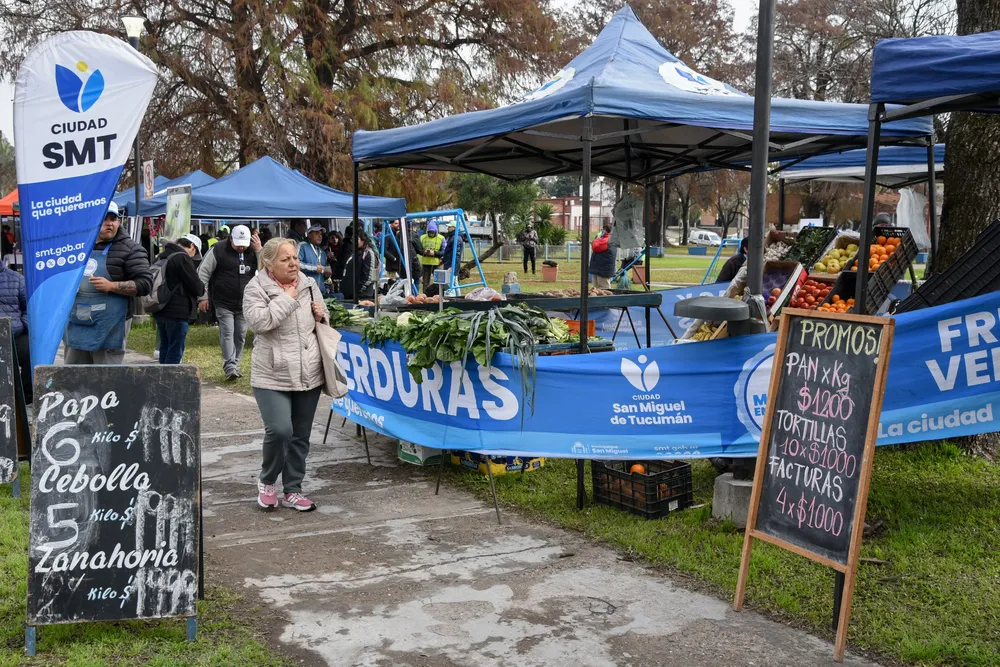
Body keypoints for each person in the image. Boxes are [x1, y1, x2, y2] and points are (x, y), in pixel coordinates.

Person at [243, 238, 327, 512]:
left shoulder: (309, 284)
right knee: (280, 430)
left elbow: (321, 322)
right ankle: (267, 482)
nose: (293, 263)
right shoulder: (256, 288)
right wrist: (287, 301)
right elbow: (258, 323)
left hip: (308, 370)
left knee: (301, 435)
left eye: (294, 258)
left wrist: (321, 315)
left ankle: (293, 489)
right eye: (285, 259)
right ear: (268, 263)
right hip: (272, 373)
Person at [65, 201, 152, 365]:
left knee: (106, 378)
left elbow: (145, 284)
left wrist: (111, 286)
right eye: (104, 218)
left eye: (113, 219)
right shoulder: (77, 248)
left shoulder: (131, 249)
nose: (109, 223)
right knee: (73, 376)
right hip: (77, 321)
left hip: (111, 325)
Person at [198, 224, 261, 381]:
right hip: (223, 301)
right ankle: (230, 366)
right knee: (227, 333)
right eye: (238, 245)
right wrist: (203, 297)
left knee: (240, 335)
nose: (241, 248)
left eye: (244, 246)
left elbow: (267, 269)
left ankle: (235, 364)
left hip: (245, 302)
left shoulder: (253, 251)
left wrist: (259, 251)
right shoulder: (218, 249)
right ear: (231, 238)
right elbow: (203, 273)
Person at [152, 235, 205, 364]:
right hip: (177, 311)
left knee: (164, 347)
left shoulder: (163, 255)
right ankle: (171, 381)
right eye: (195, 253)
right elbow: (196, 286)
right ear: (192, 246)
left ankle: (162, 379)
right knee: (175, 351)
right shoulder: (182, 258)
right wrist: (203, 289)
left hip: (160, 308)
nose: (193, 257)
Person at [0, 258, 31, 403]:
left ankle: (26, 399)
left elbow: (29, 308)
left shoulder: (17, 279)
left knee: (31, 351)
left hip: (14, 336)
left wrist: (22, 326)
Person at [340, 230, 378, 301]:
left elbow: (369, 276)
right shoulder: (355, 252)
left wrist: (359, 289)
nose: (353, 241)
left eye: (356, 239)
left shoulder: (368, 253)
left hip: (362, 295)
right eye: (352, 239)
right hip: (350, 293)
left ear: (363, 240)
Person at [298, 223, 331, 296]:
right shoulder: (302, 246)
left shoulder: (322, 253)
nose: (320, 236)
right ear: (309, 235)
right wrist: (314, 268)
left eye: (321, 234)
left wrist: (326, 275)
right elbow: (297, 264)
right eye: (316, 233)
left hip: (321, 292)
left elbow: (322, 274)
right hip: (306, 291)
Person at [589, 223, 617, 290]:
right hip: (599, 268)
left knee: (604, 288)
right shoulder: (607, 239)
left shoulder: (607, 240)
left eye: (603, 230)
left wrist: (596, 239)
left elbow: (595, 246)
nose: (602, 231)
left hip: (603, 269)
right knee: (596, 288)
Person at [419, 222, 444, 290]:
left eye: (433, 232)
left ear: (436, 232)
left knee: (439, 281)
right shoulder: (422, 237)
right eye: (430, 232)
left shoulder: (441, 238)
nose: (431, 234)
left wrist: (434, 253)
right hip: (426, 263)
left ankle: (439, 294)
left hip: (437, 263)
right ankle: (425, 295)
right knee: (425, 282)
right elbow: (418, 249)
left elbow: (444, 251)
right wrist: (424, 252)